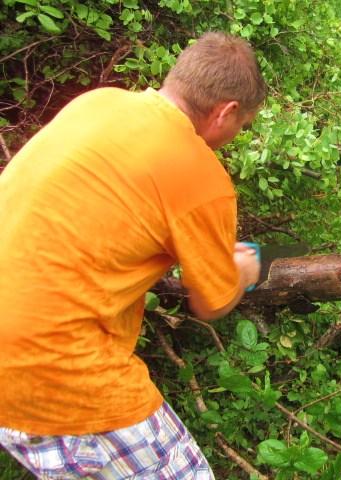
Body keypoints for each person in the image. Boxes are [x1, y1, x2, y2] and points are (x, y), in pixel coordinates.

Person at [0, 32, 264, 478]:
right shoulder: (200, 175)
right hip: (50, 368)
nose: (238, 135)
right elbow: (211, 302)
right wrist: (242, 268)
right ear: (226, 111)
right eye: (244, 125)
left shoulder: (97, 103)